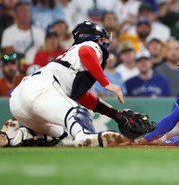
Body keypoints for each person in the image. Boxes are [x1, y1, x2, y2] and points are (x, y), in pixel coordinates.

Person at [0, 20, 155, 148]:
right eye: (103, 38)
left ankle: (14, 136)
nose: (105, 42)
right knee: (77, 114)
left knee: (57, 133)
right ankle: (84, 135)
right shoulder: (89, 46)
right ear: (97, 38)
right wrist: (107, 83)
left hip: (21, 102)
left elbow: (81, 96)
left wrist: (114, 114)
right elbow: (86, 52)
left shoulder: (73, 57)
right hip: (41, 88)